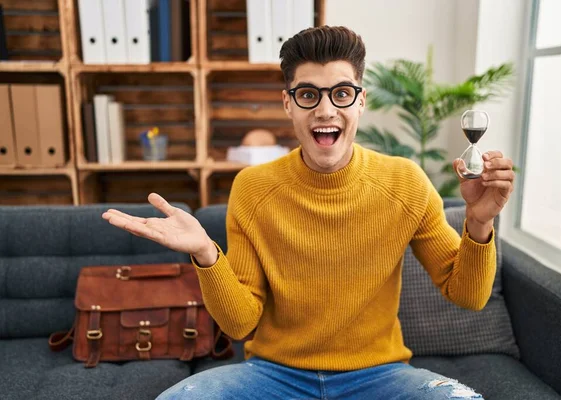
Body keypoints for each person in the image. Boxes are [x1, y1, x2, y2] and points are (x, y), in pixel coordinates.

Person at [102, 26, 514, 400]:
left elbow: (469, 295)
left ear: (360, 100)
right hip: (272, 376)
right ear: (288, 103)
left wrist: (479, 222)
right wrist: (207, 255)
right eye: (308, 94)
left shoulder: (405, 182)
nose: (325, 110)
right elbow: (240, 325)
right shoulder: (253, 188)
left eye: (341, 93)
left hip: (379, 376)